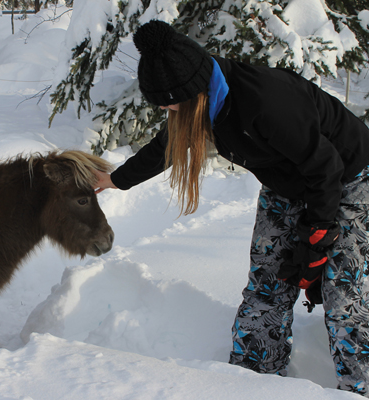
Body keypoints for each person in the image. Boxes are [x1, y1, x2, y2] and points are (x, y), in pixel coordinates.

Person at [93, 19, 369, 396]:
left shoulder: (265, 101)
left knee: (343, 294)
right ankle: (251, 383)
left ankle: (361, 387)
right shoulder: (199, 99)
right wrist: (116, 179)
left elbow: (326, 168)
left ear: (194, 93)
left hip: (351, 177)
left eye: (170, 103)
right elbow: (166, 147)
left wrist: (317, 236)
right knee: (268, 282)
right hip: (286, 182)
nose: (167, 110)